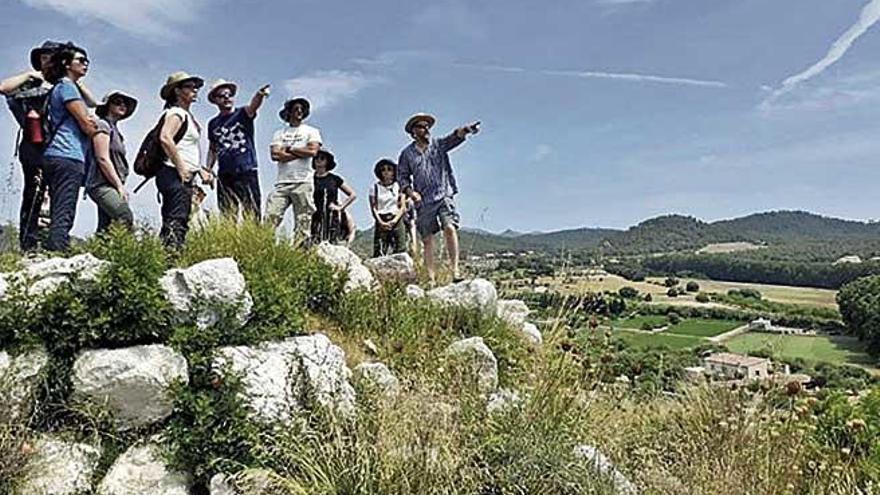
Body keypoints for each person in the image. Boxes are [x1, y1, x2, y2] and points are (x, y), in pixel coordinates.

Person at [397, 113, 480, 283]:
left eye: (427, 126)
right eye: (421, 126)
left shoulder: (438, 145)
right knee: (427, 239)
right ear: (414, 131)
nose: (426, 128)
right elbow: (402, 177)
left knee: (450, 227)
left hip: (443, 193)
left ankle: (455, 271)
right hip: (423, 201)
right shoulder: (407, 154)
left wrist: (467, 129)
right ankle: (431, 278)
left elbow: (454, 137)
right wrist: (411, 193)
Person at [0, 41, 59, 252]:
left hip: (60, 145)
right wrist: (29, 75)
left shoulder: (64, 85)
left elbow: (91, 104)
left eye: (53, 56)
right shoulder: (31, 83)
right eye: (45, 57)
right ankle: (29, 242)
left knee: (57, 194)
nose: (49, 60)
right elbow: (3, 88)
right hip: (34, 143)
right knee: (34, 191)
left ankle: (53, 240)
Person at [41, 42, 98, 252]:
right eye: (80, 60)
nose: (85, 64)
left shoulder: (61, 87)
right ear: (66, 63)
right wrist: (93, 125)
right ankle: (58, 253)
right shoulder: (67, 87)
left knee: (58, 206)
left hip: (55, 154)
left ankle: (52, 248)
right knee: (64, 208)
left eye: (87, 61)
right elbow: (87, 126)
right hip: (68, 155)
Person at [156, 71, 213, 249]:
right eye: (189, 86)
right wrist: (181, 168)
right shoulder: (176, 113)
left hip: (178, 173)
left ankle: (165, 258)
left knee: (175, 218)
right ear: (177, 91)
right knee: (177, 219)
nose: (195, 90)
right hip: (174, 173)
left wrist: (199, 169)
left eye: (196, 87)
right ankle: (171, 259)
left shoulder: (185, 115)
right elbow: (165, 137)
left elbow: (186, 149)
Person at [206, 79, 270, 220]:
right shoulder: (213, 124)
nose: (227, 98)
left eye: (229, 95)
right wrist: (208, 169)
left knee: (252, 212)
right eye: (222, 96)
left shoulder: (242, 114)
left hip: (246, 171)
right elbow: (213, 148)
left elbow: (253, 107)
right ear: (215, 100)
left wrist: (259, 95)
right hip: (224, 174)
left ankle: (252, 241)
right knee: (227, 214)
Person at [266, 97, 322, 242]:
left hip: (303, 181)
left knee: (303, 220)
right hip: (282, 182)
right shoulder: (279, 133)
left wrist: (290, 149)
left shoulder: (312, 131)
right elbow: (275, 155)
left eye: (302, 109)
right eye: (296, 108)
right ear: (289, 111)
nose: (299, 111)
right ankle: (265, 246)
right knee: (271, 215)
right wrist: (299, 152)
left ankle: (300, 251)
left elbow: (313, 152)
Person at [87, 90, 137, 233]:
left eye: (125, 104)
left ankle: (100, 253)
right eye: (117, 102)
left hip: (110, 183)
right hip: (101, 184)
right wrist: (119, 185)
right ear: (108, 106)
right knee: (124, 216)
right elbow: (102, 158)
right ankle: (128, 253)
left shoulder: (115, 131)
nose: (122, 106)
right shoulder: (103, 125)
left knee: (106, 225)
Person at [310, 149, 356, 244]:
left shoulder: (334, 179)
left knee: (332, 241)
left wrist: (341, 207)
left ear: (327, 161)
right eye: (316, 158)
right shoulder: (309, 179)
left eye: (322, 158)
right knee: (315, 240)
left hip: (332, 215)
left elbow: (352, 195)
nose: (318, 160)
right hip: (315, 214)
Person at [369, 158, 406, 257]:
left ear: (394, 172)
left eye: (389, 169)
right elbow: (373, 207)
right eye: (383, 169)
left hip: (396, 218)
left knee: (400, 250)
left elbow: (403, 207)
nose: (386, 172)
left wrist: (395, 220)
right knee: (380, 250)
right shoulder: (375, 188)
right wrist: (381, 222)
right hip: (381, 218)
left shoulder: (399, 186)